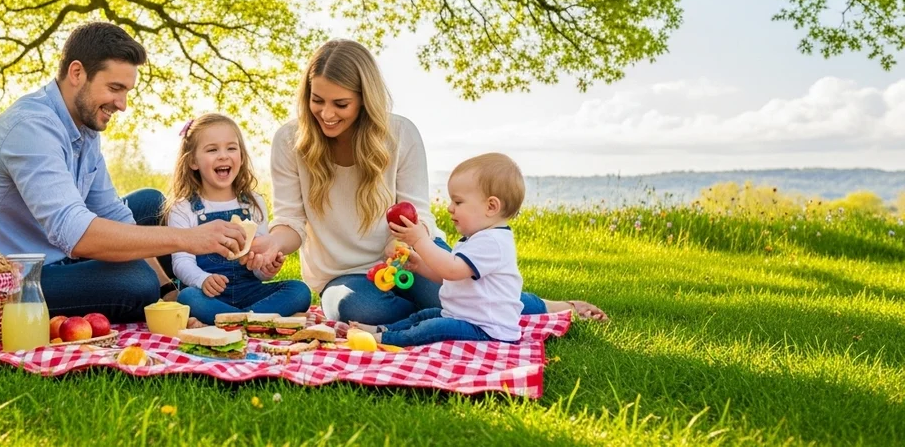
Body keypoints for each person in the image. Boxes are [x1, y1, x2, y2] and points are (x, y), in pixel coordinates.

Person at [246, 39, 608, 326]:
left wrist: (400, 249)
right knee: (354, 308)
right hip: (342, 276)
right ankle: (445, 319)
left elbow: (417, 215)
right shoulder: (290, 141)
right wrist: (270, 243)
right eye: (317, 100)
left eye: (341, 104)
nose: (326, 114)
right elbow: (292, 221)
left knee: (461, 294)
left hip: (411, 255)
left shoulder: (400, 135)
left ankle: (550, 306)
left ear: (364, 100)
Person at [0, 22, 247, 322]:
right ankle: (142, 293)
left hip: (55, 254)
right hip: (7, 277)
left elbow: (112, 213)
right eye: (115, 88)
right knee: (136, 283)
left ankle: (168, 293)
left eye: (126, 91)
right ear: (77, 73)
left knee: (151, 205)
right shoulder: (31, 127)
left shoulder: (84, 129)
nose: (122, 104)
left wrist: (167, 291)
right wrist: (187, 238)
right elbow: (76, 234)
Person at [352, 153, 528, 346]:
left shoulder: (493, 242)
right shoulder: (478, 239)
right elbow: (452, 277)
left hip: (488, 330)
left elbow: (451, 270)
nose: (450, 208)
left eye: (458, 202)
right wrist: (420, 266)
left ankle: (386, 339)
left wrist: (419, 239)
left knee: (433, 327)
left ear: (491, 206)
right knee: (425, 315)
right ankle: (385, 329)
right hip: (464, 318)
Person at [166, 114, 313, 324]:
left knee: (299, 291)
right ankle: (259, 320)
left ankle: (233, 322)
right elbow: (181, 262)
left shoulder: (253, 204)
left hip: (250, 293)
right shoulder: (184, 208)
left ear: (241, 157)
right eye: (212, 149)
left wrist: (266, 268)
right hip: (209, 295)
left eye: (231, 148)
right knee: (187, 297)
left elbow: (258, 269)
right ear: (192, 161)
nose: (223, 156)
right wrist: (202, 279)